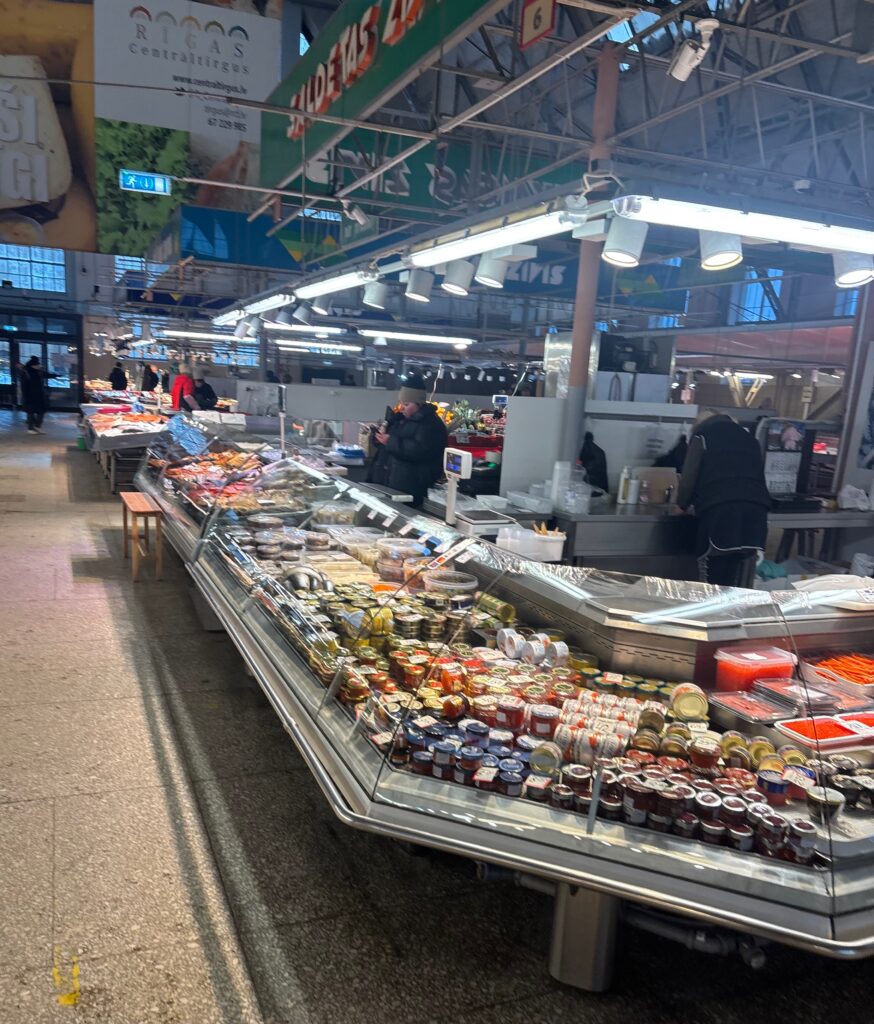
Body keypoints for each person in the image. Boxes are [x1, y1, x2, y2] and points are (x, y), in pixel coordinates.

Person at [676, 410, 771, 588]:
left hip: (722, 511)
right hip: (756, 514)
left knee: (711, 575)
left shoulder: (702, 436)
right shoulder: (749, 438)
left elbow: (689, 476)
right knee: (734, 573)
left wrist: (681, 505)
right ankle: (728, 612)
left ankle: (708, 612)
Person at [371, 375, 448, 507]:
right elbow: (389, 447)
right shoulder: (400, 420)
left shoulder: (431, 424)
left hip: (411, 490)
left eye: (406, 404)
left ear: (419, 403)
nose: (401, 408)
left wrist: (390, 441)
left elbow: (421, 450)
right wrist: (378, 437)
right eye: (401, 403)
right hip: (391, 486)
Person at [20, 356, 48, 433]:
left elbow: (46, 375)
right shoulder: (26, 373)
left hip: (39, 395)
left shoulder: (38, 372)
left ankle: (36, 426)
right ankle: (31, 428)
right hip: (30, 396)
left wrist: (56, 375)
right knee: (31, 412)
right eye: (37, 365)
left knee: (41, 411)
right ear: (33, 365)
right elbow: (24, 386)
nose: (39, 366)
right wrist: (25, 396)